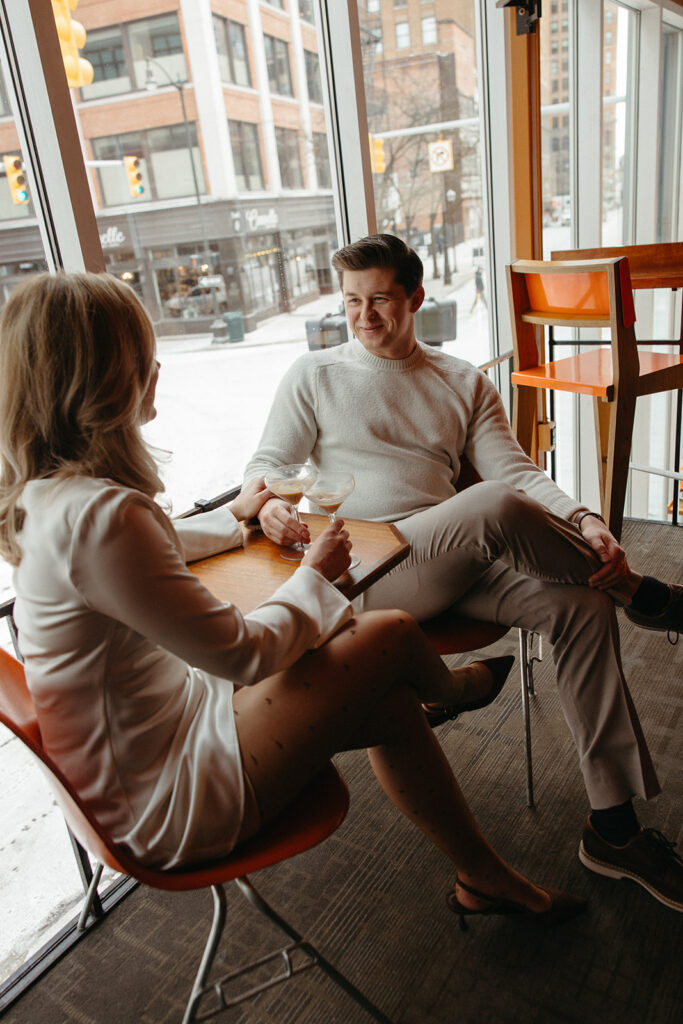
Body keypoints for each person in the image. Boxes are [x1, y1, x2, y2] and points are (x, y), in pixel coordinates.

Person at [0, 272, 585, 932]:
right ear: (101, 381)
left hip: (138, 760)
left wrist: (237, 517)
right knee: (387, 633)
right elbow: (244, 656)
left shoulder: (55, 497)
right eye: (141, 354)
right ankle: (449, 688)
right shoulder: (104, 518)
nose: (157, 367)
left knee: (391, 699)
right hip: (166, 801)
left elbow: (151, 544)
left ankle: (483, 876)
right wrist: (315, 575)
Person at [244, 233, 683, 914]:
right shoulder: (315, 374)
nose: (364, 316)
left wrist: (585, 519)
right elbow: (265, 466)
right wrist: (270, 504)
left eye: (379, 299)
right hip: (366, 571)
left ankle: (613, 826)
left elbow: (516, 472)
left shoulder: (462, 380)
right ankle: (640, 592)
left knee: (582, 608)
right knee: (489, 506)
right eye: (352, 301)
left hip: (452, 559)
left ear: (416, 297)